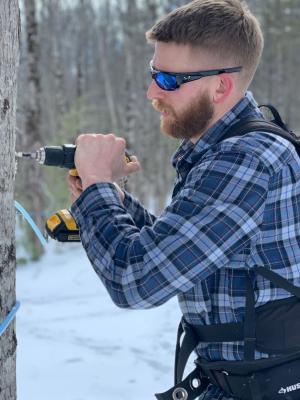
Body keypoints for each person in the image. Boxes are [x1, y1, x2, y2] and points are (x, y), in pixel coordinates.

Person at [68, 1, 300, 399]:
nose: (152, 91)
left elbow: (137, 281)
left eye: (171, 81)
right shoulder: (227, 152)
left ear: (221, 86)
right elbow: (180, 251)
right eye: (153, 73)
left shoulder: (245, 159)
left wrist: (97, 185)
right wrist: (111, 198)